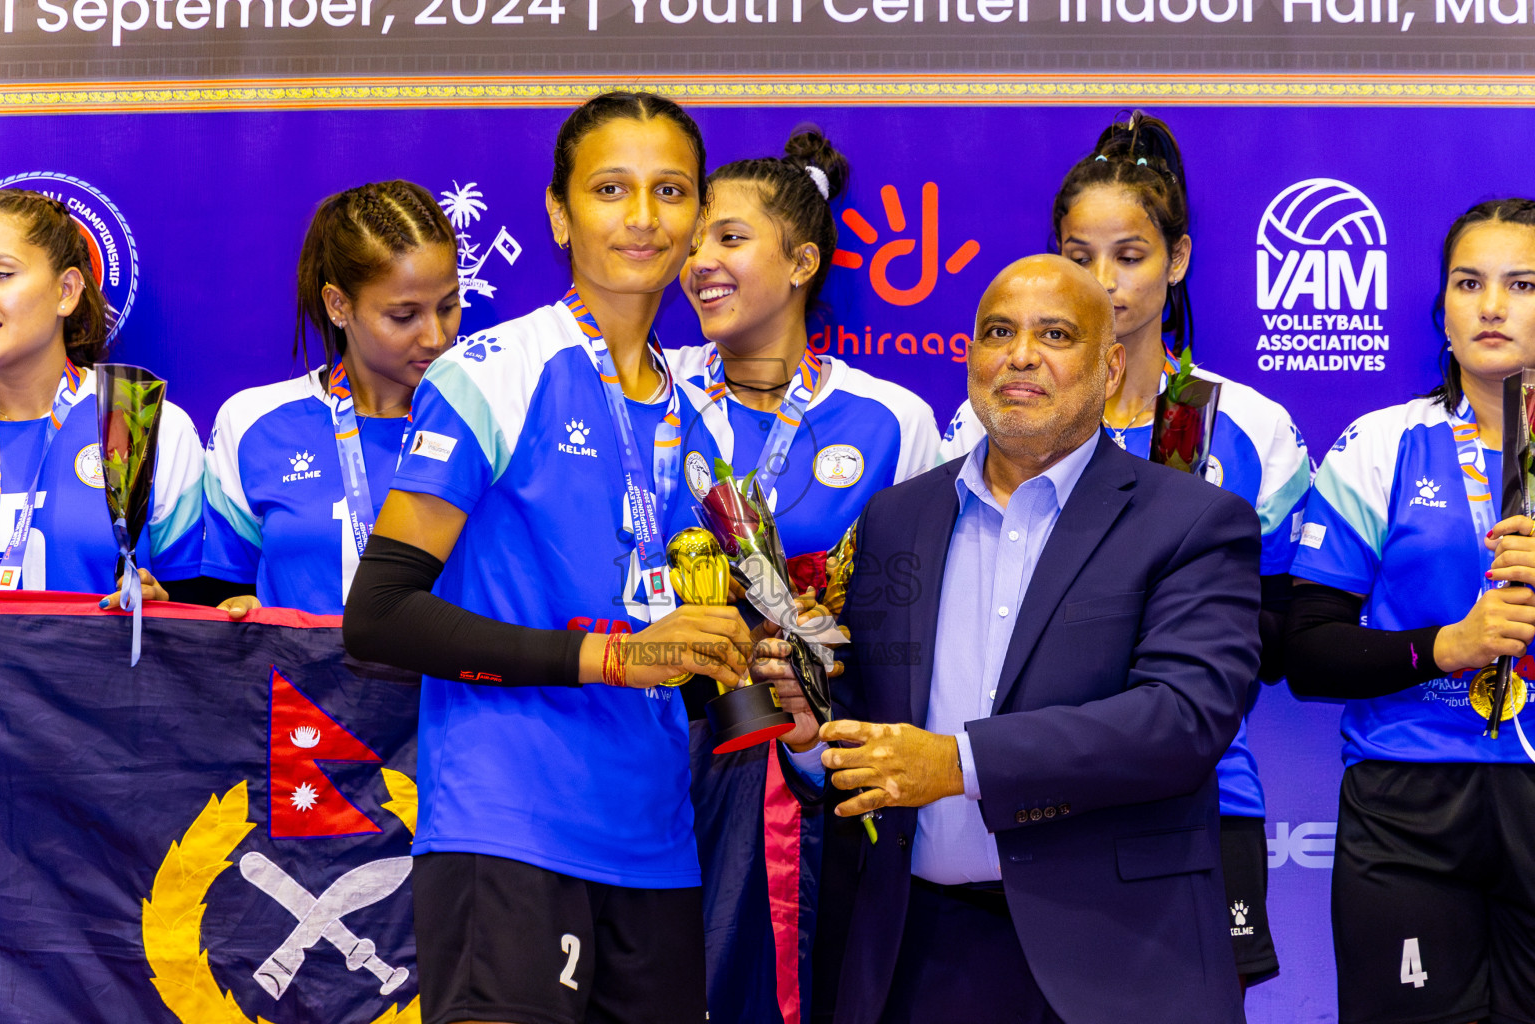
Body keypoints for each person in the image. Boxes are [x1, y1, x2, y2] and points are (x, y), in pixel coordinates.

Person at [343, 91, 758, 1024]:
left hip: (654, 844)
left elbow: (665, 649)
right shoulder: (491, 373)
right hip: (510, 831)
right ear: (560, 214)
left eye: (671, 191)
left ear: (698, 220)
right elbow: (378, 615)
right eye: (612, 189)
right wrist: (609, 657)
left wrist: (741, 662)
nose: (644, 217)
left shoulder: (696, 427)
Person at [774, 254, 1259, 1024]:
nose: (1020, 354)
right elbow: (874, 720)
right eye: (998, 331)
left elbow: (1182, 718)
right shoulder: (897, 517)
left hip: (1116, 962)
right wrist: (811, 734)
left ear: (1109, 369)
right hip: (915, 956)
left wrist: (958, 763)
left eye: (1054, 334)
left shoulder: (1193, 520)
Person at [941, 112, 1306, 985]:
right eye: (1078, 254)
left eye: (1130, 255)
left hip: (1204, 799)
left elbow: (1282, 635)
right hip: (1025, 795)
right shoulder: (988, 424)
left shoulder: (1251, 428)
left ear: (1176, 260)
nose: (1101, 281)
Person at [672, 126, 939, 1023]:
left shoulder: (891, 420)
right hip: (650, 767)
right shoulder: (642, 392)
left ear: (803, 262)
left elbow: (912, 627)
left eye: (729, 238)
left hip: (810, 785)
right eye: (696, 238)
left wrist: (821, 654)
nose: (699, 258)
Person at [1286, 197, 1535, 1024]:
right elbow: (1307, 651)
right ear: (1442, 306)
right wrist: (1445, 646)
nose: (1492, 306)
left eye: (1522, 284)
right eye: (1470, 282)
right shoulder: (1381, 443)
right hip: (1408, 805)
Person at [201, 181, 460, 617]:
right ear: (339, 305)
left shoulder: (486, 417)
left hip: (449, 686)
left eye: (449, 305)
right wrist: (232, 611)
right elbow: (217, 596)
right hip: (293, 686)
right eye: (404, 315)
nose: (436, 337)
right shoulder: (251, 423)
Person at [0, 188, 202, 600]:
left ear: (67, 291)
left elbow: (200, 608)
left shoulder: (140, 419)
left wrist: (168, 607)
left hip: (101, 666)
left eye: (2, 274)